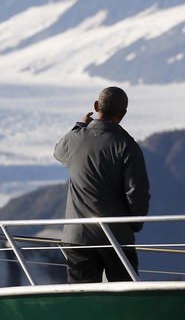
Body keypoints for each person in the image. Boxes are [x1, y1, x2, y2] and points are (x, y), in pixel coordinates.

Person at [53, 86, 150, 283]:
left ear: (96, 106)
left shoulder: (75, 139)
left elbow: (59, 153)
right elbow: (136, 191)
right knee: (124, 299)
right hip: (116, 236)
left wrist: (80, 125)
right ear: (123, 113)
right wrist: (134, 224)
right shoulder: (127, 146)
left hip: (77, 236)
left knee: (83, 300)